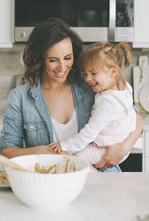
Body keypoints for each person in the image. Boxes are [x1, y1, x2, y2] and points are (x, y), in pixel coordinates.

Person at [0, 17, 143, 171]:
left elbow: (134, 117)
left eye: (68, 58)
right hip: (50, 182)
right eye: (53, 60)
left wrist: (122, 149)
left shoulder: (91, 85)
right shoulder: (20, 98)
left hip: (103, 179)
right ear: (39, 59)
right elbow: (6, 151)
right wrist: (42, 152)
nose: (62, 67)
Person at [48, 42, 136, 170]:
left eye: (93, 73)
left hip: (107, 148)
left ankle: (96, 185)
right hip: (117, 143)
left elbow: (90, 132)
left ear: (112, 72)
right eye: (85, 74)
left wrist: (65, 146)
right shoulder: (123, 86)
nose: (87, 79)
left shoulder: (108, 102)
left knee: (76, 162)